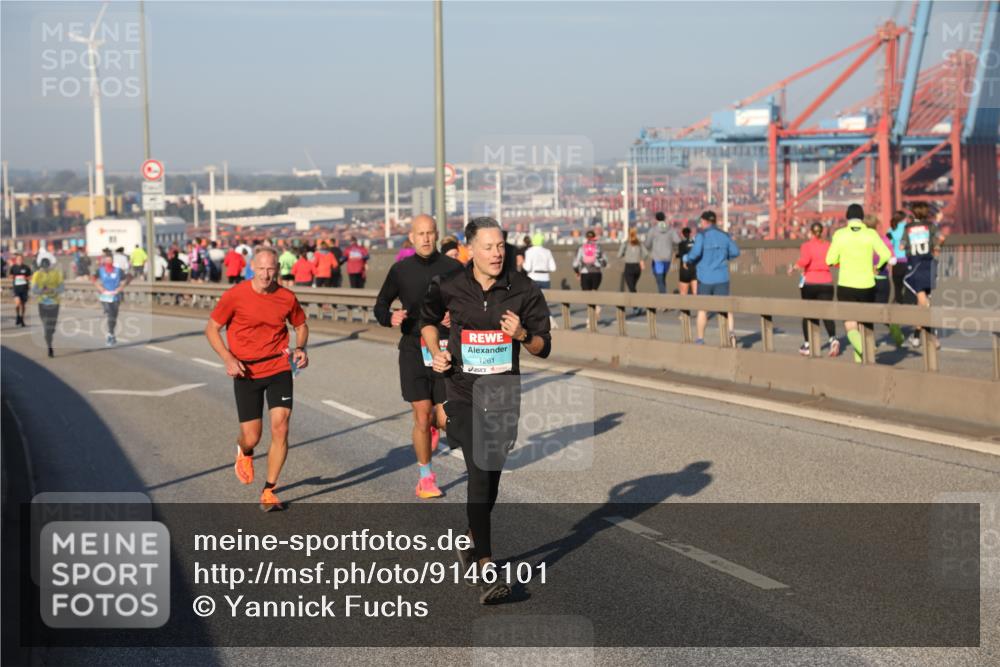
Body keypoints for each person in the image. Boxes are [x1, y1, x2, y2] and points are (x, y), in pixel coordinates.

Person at [420, 217, 552, 605]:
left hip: (503, 396)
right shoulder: (449, 285)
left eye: (501, 246)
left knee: (490, 477)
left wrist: (523, 335)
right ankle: (486, 568)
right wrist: (436, 352)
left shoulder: (523, 290)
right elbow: (426, 321)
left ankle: (471, 543)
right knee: (480, 468)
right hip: (461, 392)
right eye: (488, 247)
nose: (496, 253)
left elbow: (544, 347)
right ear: (470, 250)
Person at [205, 247, 309, 512]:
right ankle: (245, 451)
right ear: (252, 267)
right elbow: (212, 329)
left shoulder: (286, 297)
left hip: (278, 368)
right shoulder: (235, 296)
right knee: (252, 436)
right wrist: (228, 358)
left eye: (271, 269)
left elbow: (300, 325)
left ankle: (269, 490)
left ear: (278, 269)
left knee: (281, 426)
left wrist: (301, 348)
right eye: (261, 268)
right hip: (245, 371)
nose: (266, 274)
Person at [375, 215, 462, 500]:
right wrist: (390, 316)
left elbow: (471, 304)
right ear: (411, 238)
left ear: (437, 235)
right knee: (422, 415)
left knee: (444, 417)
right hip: (413, 348)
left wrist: (455, 315)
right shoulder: (401, 270)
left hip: (444, 349)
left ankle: (437, 427)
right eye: (420, 234)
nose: (425, 238)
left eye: (430, 233)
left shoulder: (453, 268)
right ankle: (426, 477)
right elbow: (380, 305)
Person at [825, 203, 891, 363]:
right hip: (867, 284)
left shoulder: (840, 234)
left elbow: (830, 260)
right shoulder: (870, 234)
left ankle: (864, 350)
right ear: (862, 217)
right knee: (863, 323)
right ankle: (860, 362)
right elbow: (886, 254)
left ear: (847, 217)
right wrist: (878, 266)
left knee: (850, 324)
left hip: (846, 284)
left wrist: (841, 260)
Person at [682, 211, 740, 346]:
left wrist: (686, 258)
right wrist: (725, 258)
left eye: (701, 221)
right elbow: (735, 252)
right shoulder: (724, 235)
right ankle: (731, 334)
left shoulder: (701, 236)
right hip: (722, 278)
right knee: (726, 308)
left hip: (705, 278)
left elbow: (694, 254)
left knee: (703, 309)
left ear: (704, 221)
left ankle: (700, 339)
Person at [789, 222, 839, 357]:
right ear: (822, 232)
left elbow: (805, 260)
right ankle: (833, 339)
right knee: (826, 313)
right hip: (827, 282)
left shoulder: (806, 246)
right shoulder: (828, 245)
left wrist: (794, 267)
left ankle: (808, 345)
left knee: (808, 313)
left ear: (811, 232)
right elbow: (835, 262)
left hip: (810, 283)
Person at [901, 202, 942, 349]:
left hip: (915, 265)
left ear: (913, 213)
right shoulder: (931, 226)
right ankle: (917, 336)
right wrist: (936, 248)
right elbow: (941, 238)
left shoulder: (908, 228)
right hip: (929, 264)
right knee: (922, 302)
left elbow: (901, 245)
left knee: (923, 302)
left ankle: (933, 335)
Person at [92, 250, 132, 346]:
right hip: (105, 296)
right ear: (104, 261)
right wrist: (100, 288)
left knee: (114, 316)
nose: (108, 262)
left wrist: (120, 288)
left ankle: (111, 333)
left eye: (110, 260)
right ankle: (110, 335)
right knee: (109, 313)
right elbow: (93, 278)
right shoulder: (100, 270)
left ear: (113, 261)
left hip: (116, 296)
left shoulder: (118, 270)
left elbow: (128, 278)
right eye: (107, 260)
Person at [31, 257, 64, 357]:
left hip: (54, 303)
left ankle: (50, 333)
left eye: (47, 267)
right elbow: (34, 289)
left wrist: (53, 290)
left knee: (52, 327)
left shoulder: (56, 274)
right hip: (43, 304)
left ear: (49, 266)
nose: (45, 269)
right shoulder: (37, 275)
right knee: (46, 327)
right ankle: (49, 347)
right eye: (43, 267)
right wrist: (43, 291)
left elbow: (62, 288)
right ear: (41, 267)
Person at [645, 211, 682, 294]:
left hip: (657, 259)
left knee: (659, 279)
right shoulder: (670, 230)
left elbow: (647, 244)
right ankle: (663, 298)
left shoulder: (653, 230)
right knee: (662, 278)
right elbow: (678, 241)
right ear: (664, 218)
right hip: (667, 258)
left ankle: (663, 300)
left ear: (656, 219)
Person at [618, 228, 648, 316]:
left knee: (631, 288)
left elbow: (619, 255)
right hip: (637, 267)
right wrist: (641, 259)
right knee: (633, 287)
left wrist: (625, 255)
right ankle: (636, 306)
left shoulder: (625, 244)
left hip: (629, 267)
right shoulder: (639, 244)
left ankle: (636, 307)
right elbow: (646, 254)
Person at [9, 253, 32, 327]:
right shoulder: (13, 267)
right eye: (18, 259)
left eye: (21, 259)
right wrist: (13, 277)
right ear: (16, 260)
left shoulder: (26, 267)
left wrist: (24, 278)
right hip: (16, 288)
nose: (19, 260)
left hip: (24, 288)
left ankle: (22, 318)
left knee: (23, 305)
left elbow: (30, 277)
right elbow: (10, 276)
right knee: (17, 303)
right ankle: (17, 316)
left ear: (23, 260)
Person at [676, 227, 697, 295]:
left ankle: (684, 305)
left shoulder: (681, 244)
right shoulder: (695, 243)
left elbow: (681, 255)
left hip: (685, 269)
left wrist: (677, 256)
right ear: (690, 233)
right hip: (695, 268)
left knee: (683, 293)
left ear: (683, 234)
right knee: (695, 293)